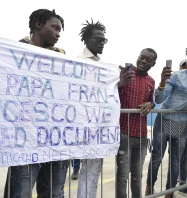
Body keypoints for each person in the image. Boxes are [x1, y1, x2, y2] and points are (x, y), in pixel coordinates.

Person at [3, 9, 69, 198]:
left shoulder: (61, 55)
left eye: (60, 30)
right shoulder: (16, 51)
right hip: (25, 137)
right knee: (21, 190)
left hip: (53, 137)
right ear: (39, 24)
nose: (58, 34)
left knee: (51, 190)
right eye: (54, 28)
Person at [145, 42, 187, 198]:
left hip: (182, 124)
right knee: (157, 157)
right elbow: (160, 98)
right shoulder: (177, 76)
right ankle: (149, 187)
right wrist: (162, 83)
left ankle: (169, 192)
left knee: (176, 162)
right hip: (163, 120)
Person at [116, 48, 156, 198]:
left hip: (141, 135)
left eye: (148, 60)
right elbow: (113, 94)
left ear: (153, 63)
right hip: (124, 133)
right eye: (142, 57)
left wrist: (151, 105)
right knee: (122, 176)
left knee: (137, 175)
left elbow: (151, 101)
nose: (144, 61)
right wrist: (120, 83)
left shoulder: (151, 81)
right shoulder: (125, 73)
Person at [76, 19, 107, 198]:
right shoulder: (79, 61)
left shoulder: (99, 62)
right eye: (98, 39)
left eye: (104, 40)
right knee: (87, 171)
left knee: (93, 171)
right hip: (86, 126)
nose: (102, 43)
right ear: (87, 39)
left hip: (97, 127)